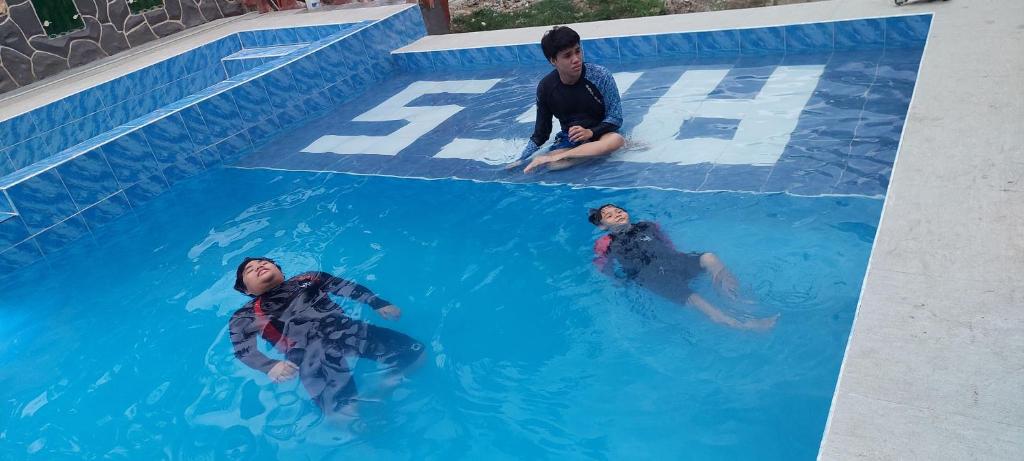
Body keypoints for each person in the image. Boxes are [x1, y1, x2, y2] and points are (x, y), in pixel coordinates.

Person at [228, 257, 424, 415]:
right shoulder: (246, 315)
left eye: (264, 262)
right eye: (249, 270)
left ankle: (385, 385)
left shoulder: (308, 279)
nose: (258, 266)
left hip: (345, 330)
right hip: (307, 353)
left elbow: (346, 287)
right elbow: (243, 348)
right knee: (340, 414)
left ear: (281, 271)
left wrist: (377, 303)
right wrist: (269, 366)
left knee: (417, 353)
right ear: (246, 290)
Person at [589, 204, 778, 330]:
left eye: (618, 210)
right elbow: (603, 265)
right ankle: (738, 323)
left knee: (709, 257)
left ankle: (735, 298)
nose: (617, 214)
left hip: (674, 261)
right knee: (695, 298)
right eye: (609, 215)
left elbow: (666, 243)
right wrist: (617, 281)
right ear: (603, 226)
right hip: (652, 276)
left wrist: (681, 262)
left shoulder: (648, 225)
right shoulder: (605, 242)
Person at [514, 26, 626, 173]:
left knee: (616, 140)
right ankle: (571, 155)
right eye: (567, 56)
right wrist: (520, 160)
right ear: (553, 60)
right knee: (553, 165)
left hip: (602, 134)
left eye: (578, 51)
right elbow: (541, 134)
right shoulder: (546, 87)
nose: (576, 59)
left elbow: (616, 118)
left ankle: (565, 156)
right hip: (571, 141)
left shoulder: (600, 76)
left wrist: (590, 132)